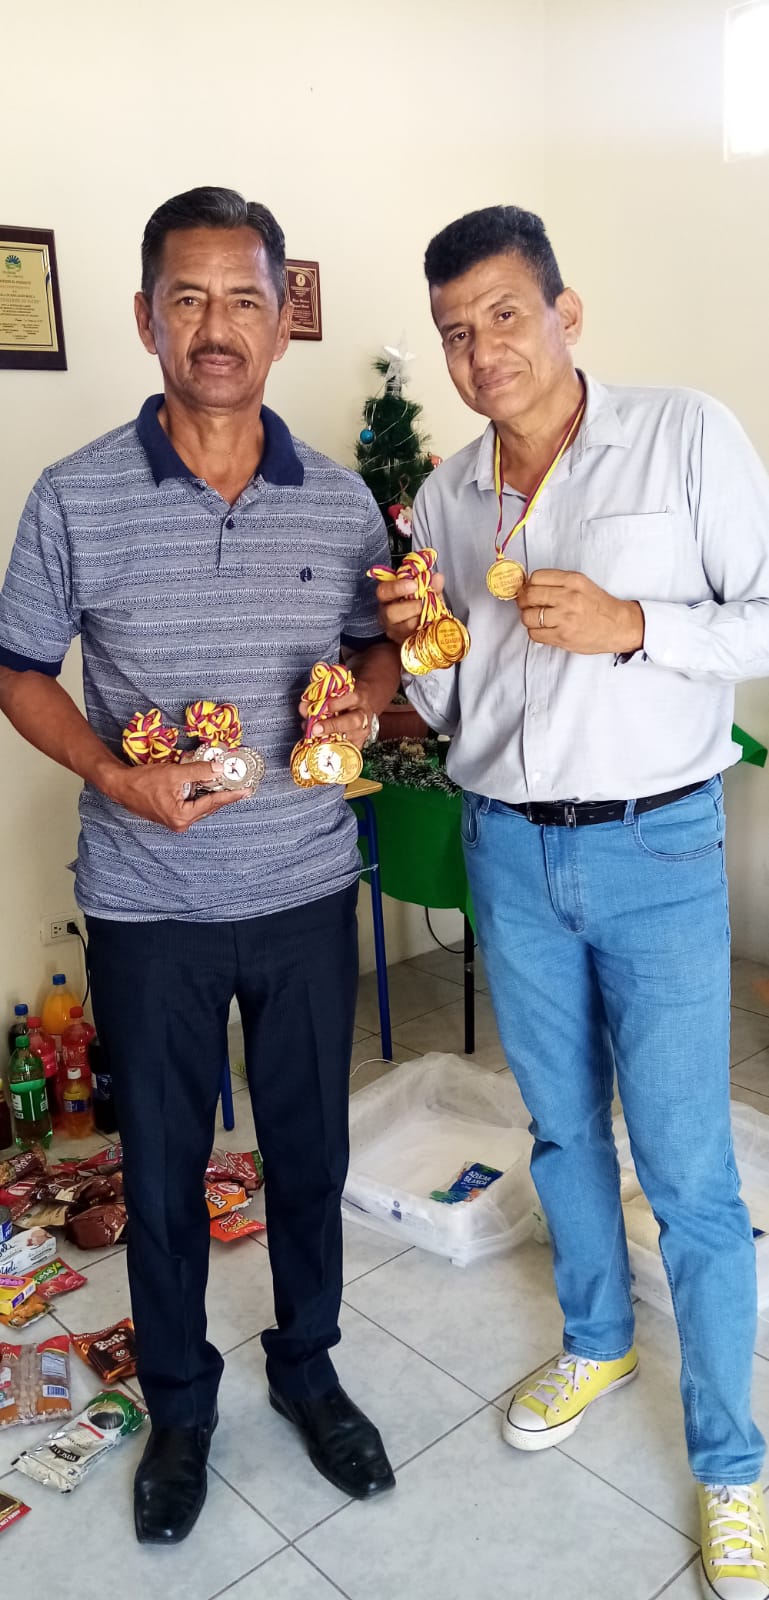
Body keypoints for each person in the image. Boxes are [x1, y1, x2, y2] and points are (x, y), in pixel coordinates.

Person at [376, 203, 769, 1600]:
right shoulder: (446, 497)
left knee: (689, 1169)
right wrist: (421, 643)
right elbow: (451, 702)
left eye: (502, 314)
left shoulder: (684, 435)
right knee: (559, 1133)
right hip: (505, 849)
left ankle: (732, 1462)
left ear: (564, 313)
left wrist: (633, 624)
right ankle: (598, 1342)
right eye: (453, 331)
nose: (480, 350)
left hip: (656, 850)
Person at [0, 186, 400, 1544]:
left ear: (281, 319)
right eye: (187, 298)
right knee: (163, 1169)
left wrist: (359, 702)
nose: (215, 327)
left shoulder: (337, 500)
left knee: (307, 1151)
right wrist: (114, 775)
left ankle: (309, 1369)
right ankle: (180, 1405)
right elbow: (19, 670)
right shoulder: (76, 495)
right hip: (146, 903)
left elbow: (377, 647)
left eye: (243, 299)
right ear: (144, 318)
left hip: (305, 888)